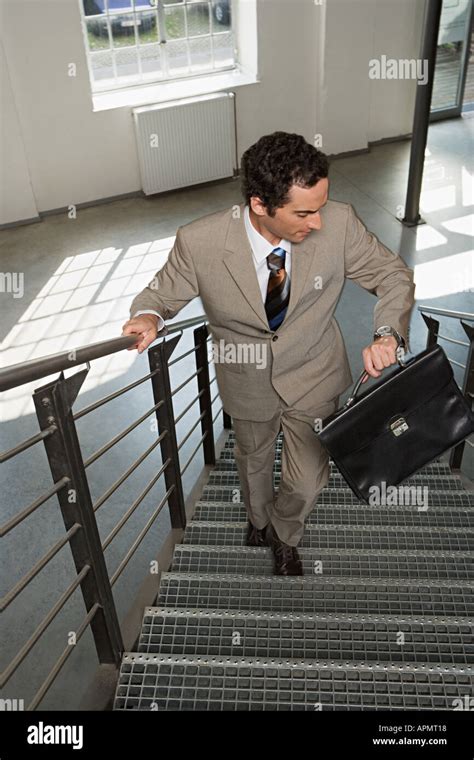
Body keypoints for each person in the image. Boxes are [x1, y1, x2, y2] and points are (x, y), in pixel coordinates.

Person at [122, 131, 415, 576]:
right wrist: (148, 316)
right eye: (303, 213)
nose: (317, 222)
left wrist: (387, 334)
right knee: (253, 460)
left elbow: (393, 276)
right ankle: (257, 520)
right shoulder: (198, 242)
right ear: (260, 204)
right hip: (246, 383)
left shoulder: (339, 222)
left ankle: (283, 534)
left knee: (307, 479)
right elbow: (158, 295)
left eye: (320, 207)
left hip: (315, 375)